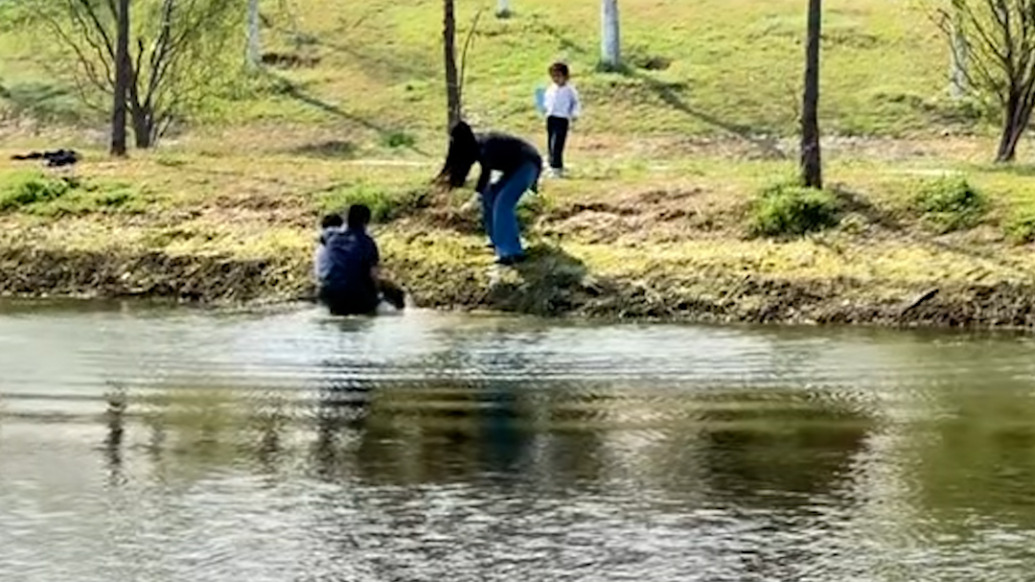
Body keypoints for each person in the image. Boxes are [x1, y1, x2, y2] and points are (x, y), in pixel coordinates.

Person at [436, 121, 542, 265]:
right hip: (514, 167)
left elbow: (486, 175)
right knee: (490, 196)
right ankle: (496, 240)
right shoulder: (472, 146)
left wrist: (475, 197)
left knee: (503, 202)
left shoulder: (485, 146)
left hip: (528, 163)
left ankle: (511, 252)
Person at [315, 204, 405, 315]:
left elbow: (322, 240)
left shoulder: (330, 234)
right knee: (392, 293)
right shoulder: (368, 242)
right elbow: (373, 276)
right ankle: (401, 311)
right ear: (366, 222)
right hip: (358, 297)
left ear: (346, 218)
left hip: (328, 294)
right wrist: (378, 294)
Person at [542, 62, 581, 178]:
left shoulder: (570, 90)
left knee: (557, 144)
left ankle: (557, 167)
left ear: (566, 76)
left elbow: (576, 103)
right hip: (551, 117)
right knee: (550, 141)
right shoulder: (551, 89)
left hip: (562, 118)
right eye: (553, 76)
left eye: (558, 76)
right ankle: (550, 163)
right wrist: (545, 109)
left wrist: (574, 114)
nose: (556, 79)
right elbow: (546, 100)